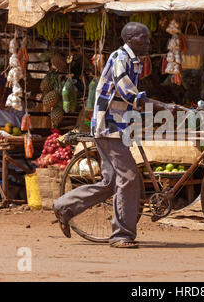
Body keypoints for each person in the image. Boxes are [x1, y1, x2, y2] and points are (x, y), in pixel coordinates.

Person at [53, 22, 179, 248]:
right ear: (130, 38)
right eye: (143, 38)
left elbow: (128, 100)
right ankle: (121, 235)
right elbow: (127, 92)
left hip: (119, 126)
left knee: (112, 182)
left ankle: (64, 207)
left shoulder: (134, 61)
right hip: (109, 127)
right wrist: (162, 105)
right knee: (128, 178)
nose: (148, 42)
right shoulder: (120, 58)